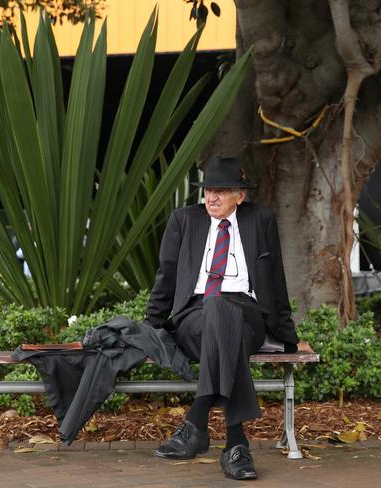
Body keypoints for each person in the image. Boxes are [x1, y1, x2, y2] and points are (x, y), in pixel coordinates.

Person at [145, 156, 299, 480]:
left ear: (240, 195)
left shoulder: (261, 220)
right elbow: (167, 276)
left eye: (221, 191)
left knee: (223, 311)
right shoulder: (183, 220)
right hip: (195, 315)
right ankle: (236, 444)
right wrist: (151, 326)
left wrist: (286, 334)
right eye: (207, 190)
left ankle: (197, 425)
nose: (211, 198)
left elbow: (276, 278)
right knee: (217, 312)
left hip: (247, 312)